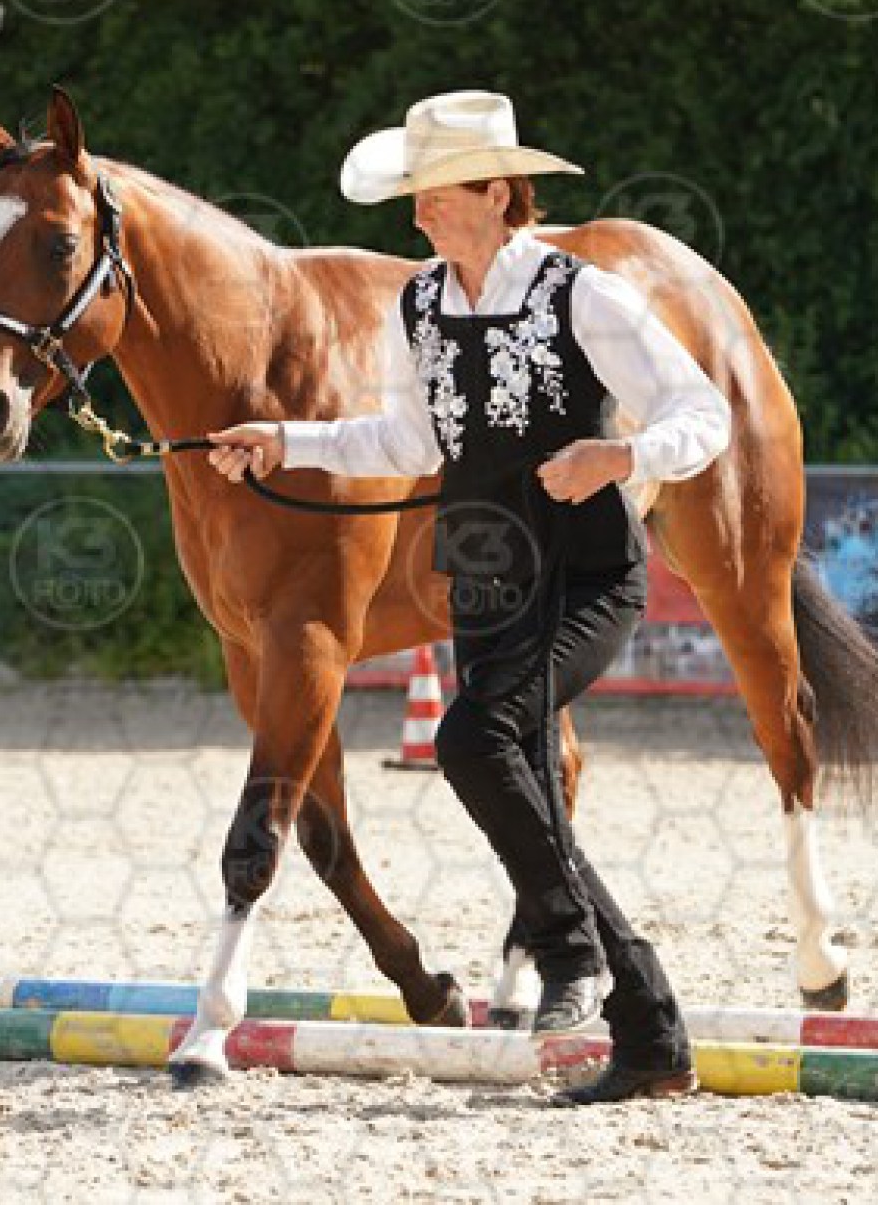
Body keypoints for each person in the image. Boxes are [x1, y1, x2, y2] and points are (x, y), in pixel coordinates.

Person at [207, 91, 730, 1104]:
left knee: (472, 740)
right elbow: (403, 442)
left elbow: (698, 410)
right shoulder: (419, 307)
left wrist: (622, 455)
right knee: (517, 779)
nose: (416, 214)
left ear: (496, 192)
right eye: (413, 195)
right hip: (485, 584)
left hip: (584, 577)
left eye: (436, 193)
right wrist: (285, 441)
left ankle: (570, 952)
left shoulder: (583, 295)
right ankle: (652, 1033)